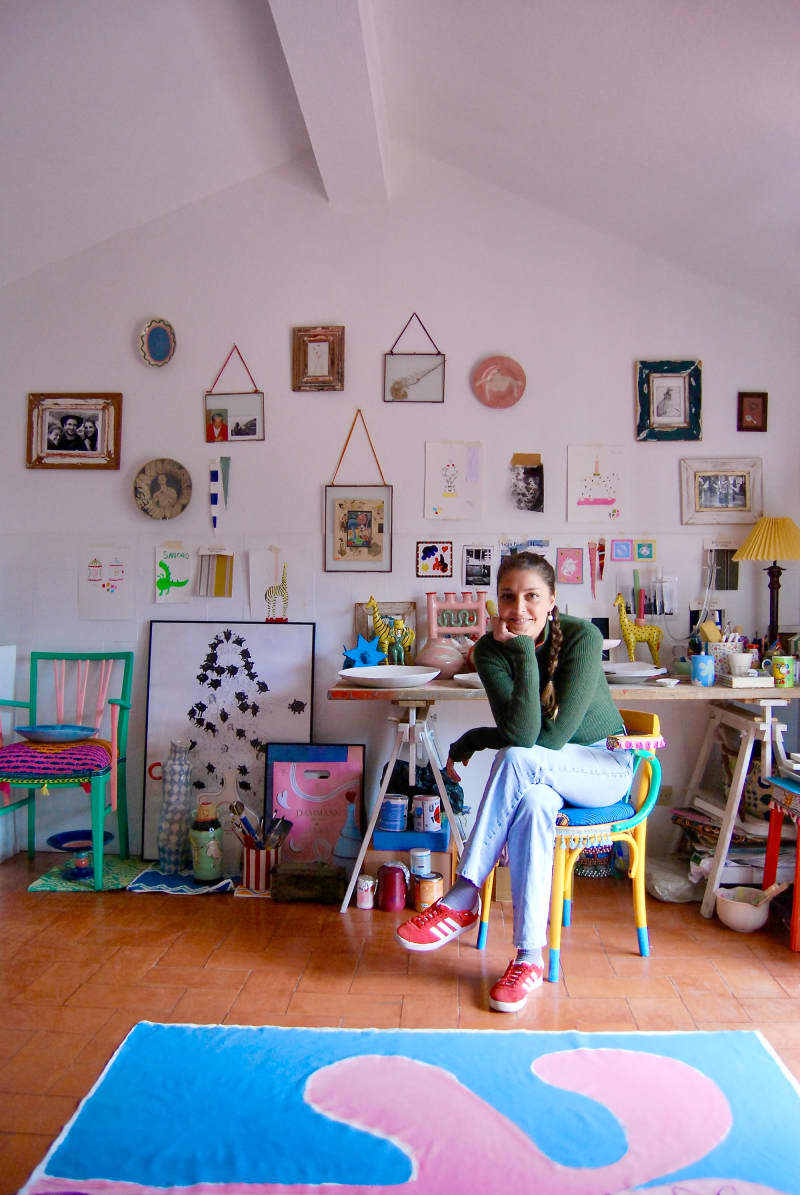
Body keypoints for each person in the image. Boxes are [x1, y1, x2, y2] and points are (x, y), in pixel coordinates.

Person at [396, 552, 633, 1013]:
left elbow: (550, 737)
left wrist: (481, 735)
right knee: (533, 808)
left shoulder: (584, 638)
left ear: (552, 603)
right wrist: (520, 653)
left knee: (517, 757)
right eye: (508, 596)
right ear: (495, 600)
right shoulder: (488, 651)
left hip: (605, 768)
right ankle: (528, 959)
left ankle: (464, 893)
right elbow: (527, 735)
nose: (519, 608)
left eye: (531, 597)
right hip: (545, 773)